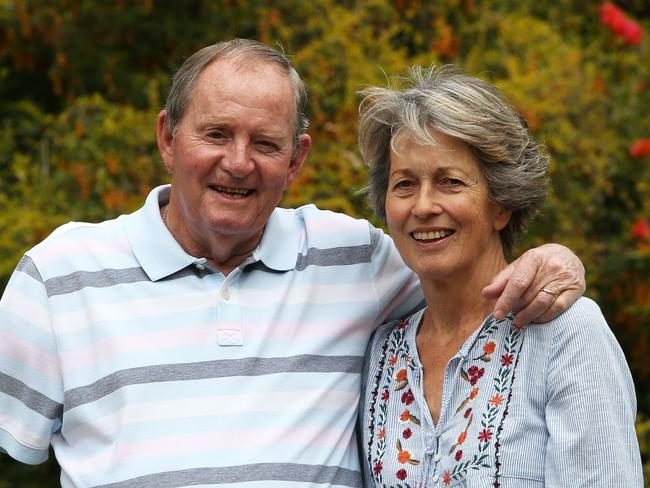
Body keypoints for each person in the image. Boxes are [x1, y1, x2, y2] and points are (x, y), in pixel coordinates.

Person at [0, 39, 586, 488]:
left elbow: (464, 266)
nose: (238, 162)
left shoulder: (358, 260)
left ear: (298, 158)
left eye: (265, 143)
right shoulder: (57, 277)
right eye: (216, 134)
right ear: (167, 137)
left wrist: (557, 260)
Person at [357, 66, 642, 487]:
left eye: (450, 182)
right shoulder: (381, 353)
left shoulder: (568, 335)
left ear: (501, 204)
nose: (423, 205)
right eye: (404, 184)